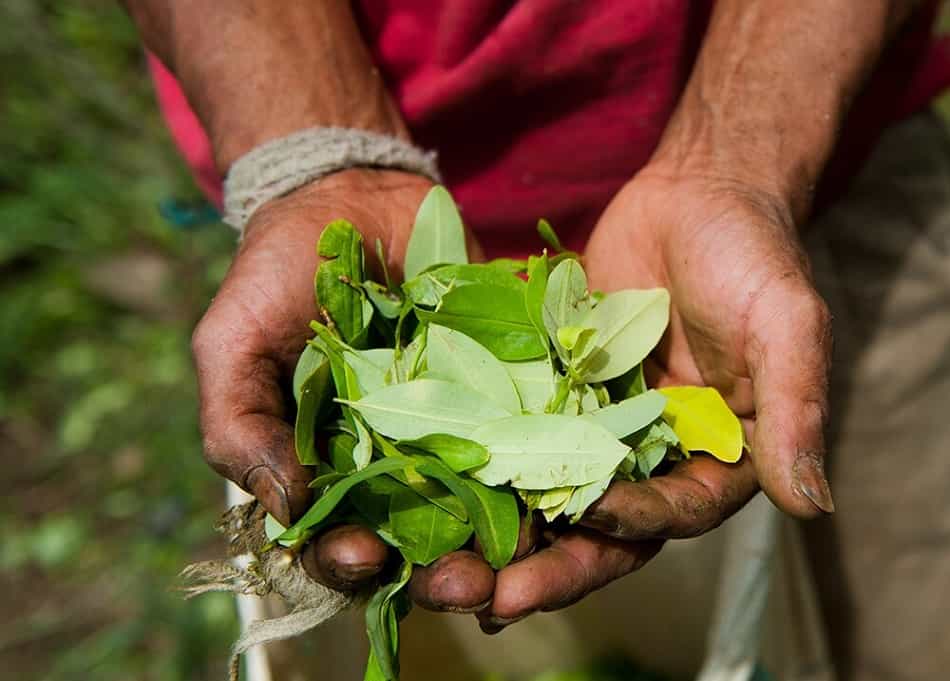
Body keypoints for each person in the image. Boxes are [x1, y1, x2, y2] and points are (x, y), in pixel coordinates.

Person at [124, 1, 950, 679]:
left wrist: (739, 156)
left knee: (911, 618)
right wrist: (317, 158)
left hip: (819, 134)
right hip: (371, 223)